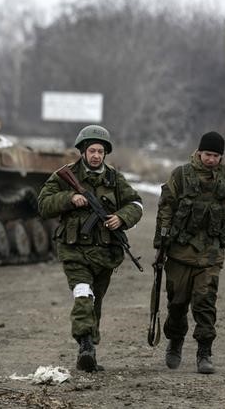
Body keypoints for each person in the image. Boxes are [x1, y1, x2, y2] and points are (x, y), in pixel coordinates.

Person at [38, 125, 143, 372]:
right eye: (92, 150)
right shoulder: (65, 175)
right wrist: (68, 199)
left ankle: (90, 348)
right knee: (83, 294)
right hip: (74, 250)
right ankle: (85, 345)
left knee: (95, 302)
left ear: (105, 153)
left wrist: (122, 217)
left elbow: (137, 203)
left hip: (105, 253)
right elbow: (43, 204)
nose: (96, 155)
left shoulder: (115, 179)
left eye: (100, 151)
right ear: (83, 151)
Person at [152, 131, 225, 374]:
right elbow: (165, 209)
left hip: (211, 253)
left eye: (216, 155)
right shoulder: (181, 175)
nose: (211, 159)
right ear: (199, 152)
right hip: (179, 252)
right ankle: (175, 342)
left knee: (205, 302)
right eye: (208, 154)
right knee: (176, 303)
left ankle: (204, 352)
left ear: (221, 156)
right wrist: (161, 244)